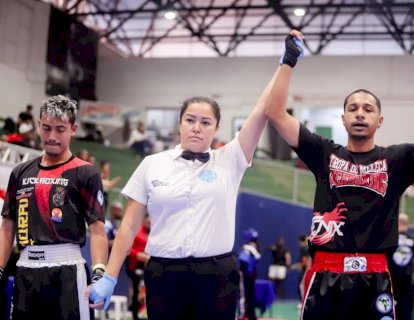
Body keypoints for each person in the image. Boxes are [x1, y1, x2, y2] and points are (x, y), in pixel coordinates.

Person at [266, 30, 414, 319]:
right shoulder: (324, 152)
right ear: (343, 119)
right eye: (353, 109)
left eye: (368, 109)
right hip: (325, 273)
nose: (360, 114)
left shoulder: (398, 159)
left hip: (375, 275)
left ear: (380, 120)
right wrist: (288, 60)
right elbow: (275, 113)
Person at [89, 64, 282, 320]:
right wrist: (110, 277)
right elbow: (129, 225)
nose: (196, 127)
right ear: (179, 123)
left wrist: (284, 65)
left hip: (216, 276)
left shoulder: (230, 160)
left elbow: (260, 111)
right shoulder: (151, 164)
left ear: (216, 128)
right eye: (190, 120)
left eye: (205, 122)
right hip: (164, 274)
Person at [0, 95, 109, 320]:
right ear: (39, 125)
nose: (52, 136)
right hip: (25, 269)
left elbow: (97, 229)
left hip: (68, 270)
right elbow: (7, 226)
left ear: (73, 129)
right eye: (47, 128)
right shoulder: (20, 172)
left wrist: (99, 272)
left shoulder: (85, 172)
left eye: (60, 129)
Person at [388, 212, 414, 320]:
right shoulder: (413, 240)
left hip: (391, 277)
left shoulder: (390, 239)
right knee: (405, 305)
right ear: (407, 223)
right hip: (406, 277)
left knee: (389, 302)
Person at [126, 215, 150, 320]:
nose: (149, 223)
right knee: (138, 289)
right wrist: (138, 255)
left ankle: (144, 312)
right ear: (144, 220)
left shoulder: (152, 233)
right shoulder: (137, 232)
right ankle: (136, 314)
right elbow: (128, 249)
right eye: (147, 221)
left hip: (148, 267)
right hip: (135, 266)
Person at [237, 228, 261, 320]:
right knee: (249, 296)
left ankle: (244, 314)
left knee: (245, 295)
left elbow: (243, 261)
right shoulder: (254, 248)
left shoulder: (248, 248)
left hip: (246, 275)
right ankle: (250, 314)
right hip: (251, 274)